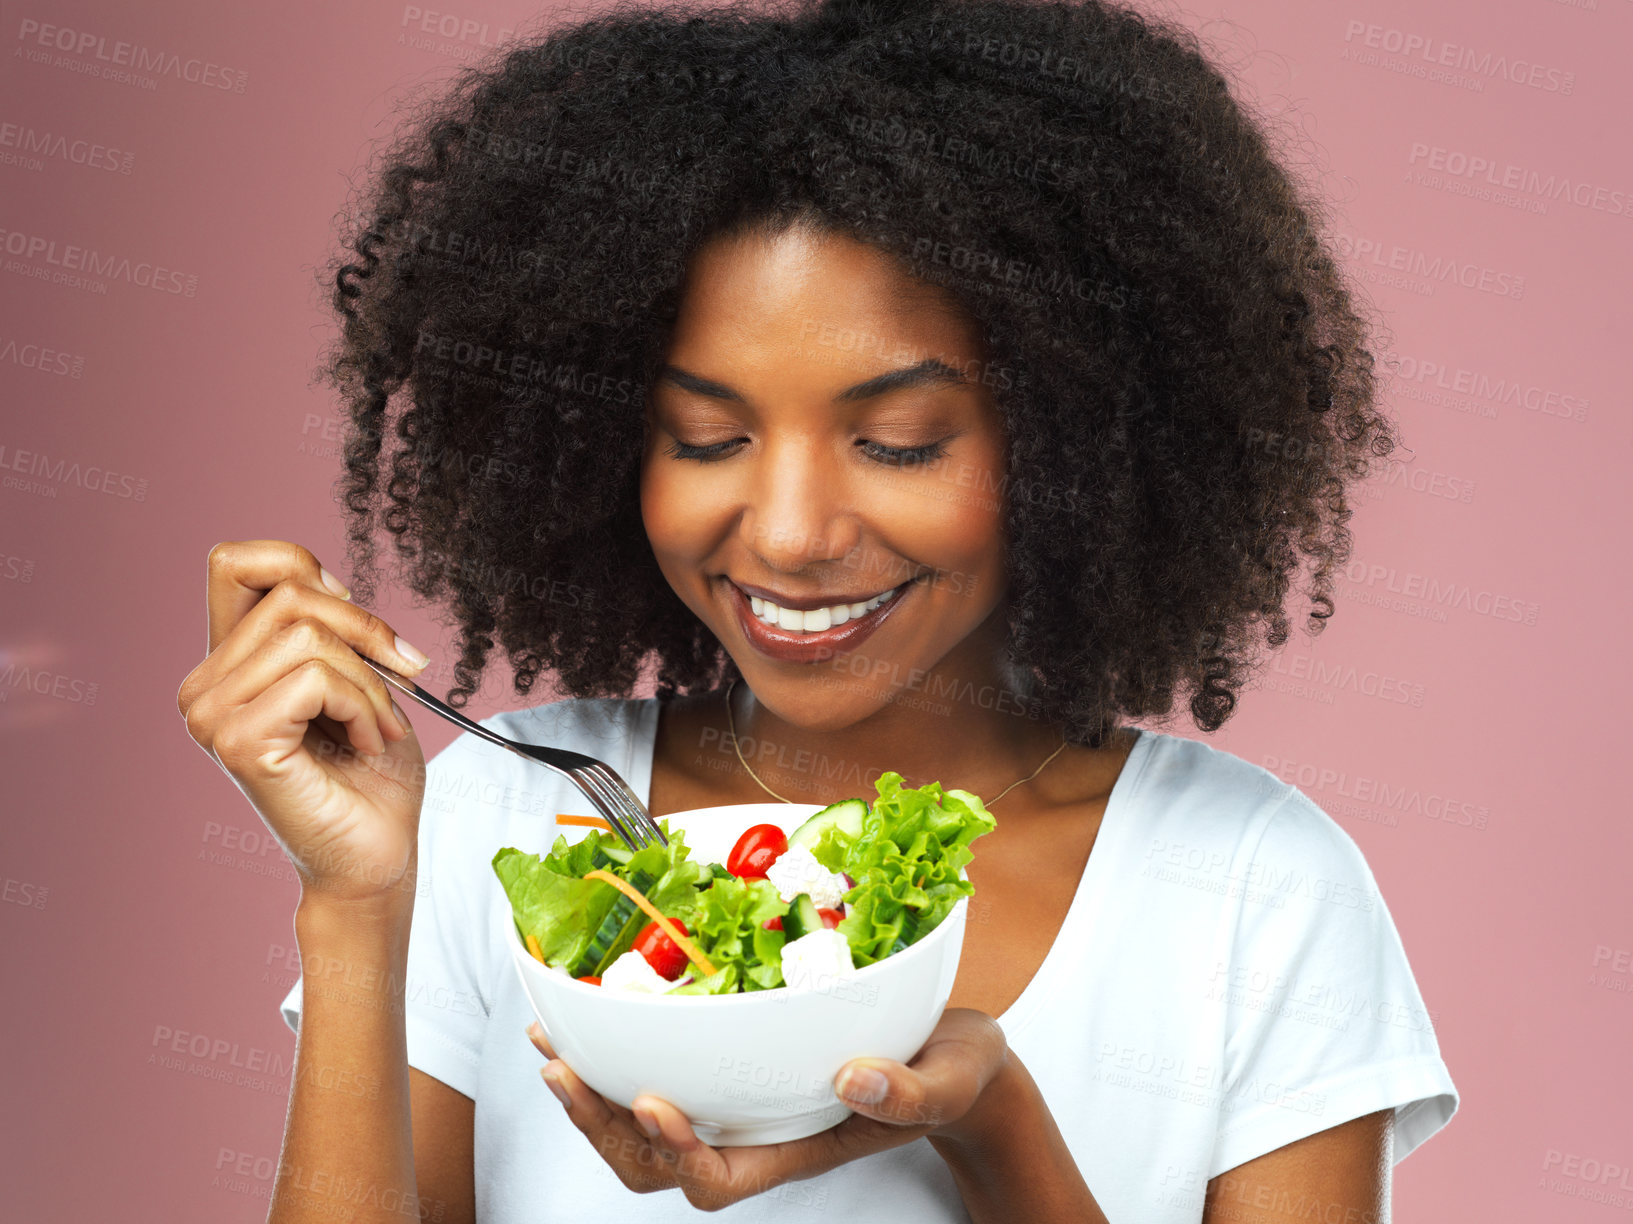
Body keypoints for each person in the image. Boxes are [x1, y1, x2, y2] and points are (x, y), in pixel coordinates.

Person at [175, 0, 1458, 1218]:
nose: (788, 534)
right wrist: (352, 905)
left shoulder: (1255, 892)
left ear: (1078, 450)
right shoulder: (499, 819)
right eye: (707, 435)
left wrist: (994, 1129)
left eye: (897, 442)